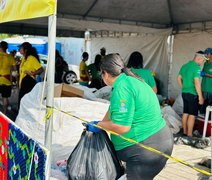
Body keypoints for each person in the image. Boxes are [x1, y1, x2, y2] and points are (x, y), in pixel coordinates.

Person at [87, 54, 173, 179]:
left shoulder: (122, 88)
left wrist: (99, 125)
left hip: (146, 148)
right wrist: (102, 123)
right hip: (160, 141)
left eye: (101, 74)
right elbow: (112, 109)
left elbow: (122, 127)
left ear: (105, 73)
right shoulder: (132, 80)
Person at [177, 51, 206, 137]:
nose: (202, 63)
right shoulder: (196, 68)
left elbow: (178, 78)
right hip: (192, 94)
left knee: (186, 112)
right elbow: (197, 83)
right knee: (192, 115)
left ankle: (185, 132)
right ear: (198, 58)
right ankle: (189, 135)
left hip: (184, 93)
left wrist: (183, 87)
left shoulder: (185, 66)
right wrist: (200, 97)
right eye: (202, 61)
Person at [18, 42, 43, 107]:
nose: (19, 49)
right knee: (21, 102)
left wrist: (33, 73)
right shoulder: (23, 58)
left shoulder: (32, 58)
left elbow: (41, 69)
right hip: (23, 82)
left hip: (29, 81)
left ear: (26, 50)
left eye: (21, 48)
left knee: (25, 102)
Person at [0, 41, 17, 115]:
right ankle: (4, 113)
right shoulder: (10, 57)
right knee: (5, 98)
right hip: (6, 80)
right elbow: (14, 71)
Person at [200, 48, 212, 114]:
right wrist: (201, 73)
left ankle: (209, 123)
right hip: (204, 88)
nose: (205, 55)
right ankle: (202, 122)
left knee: (210, 108)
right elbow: (202, 72)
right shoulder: (205, 63)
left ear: (211, 54)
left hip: (211, 89)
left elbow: (205, 74)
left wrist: (206, 74)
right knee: (203, 106)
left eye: (207, 54)